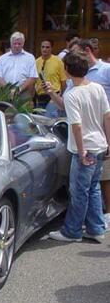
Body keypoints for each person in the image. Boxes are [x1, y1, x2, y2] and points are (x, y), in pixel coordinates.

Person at [48, 52, 110, 244]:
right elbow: (107, 116)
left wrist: (82, 152)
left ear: (67, 70)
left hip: (85, 149)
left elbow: (76, 125)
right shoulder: (97, 88)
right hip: (99, 144)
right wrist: (109, 143)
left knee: (79, 192)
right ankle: (96, 228)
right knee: (93, 189)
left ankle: (72, 231)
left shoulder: (72, 94)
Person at [34, 39, 67, 109]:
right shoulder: (36, 62)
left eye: (47, 47)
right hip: (40, 97)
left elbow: (63, 81)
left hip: (54, 96)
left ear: (51, 48)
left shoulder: (58, 61)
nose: (44, 49)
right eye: (42, 47)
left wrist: (62, 96)